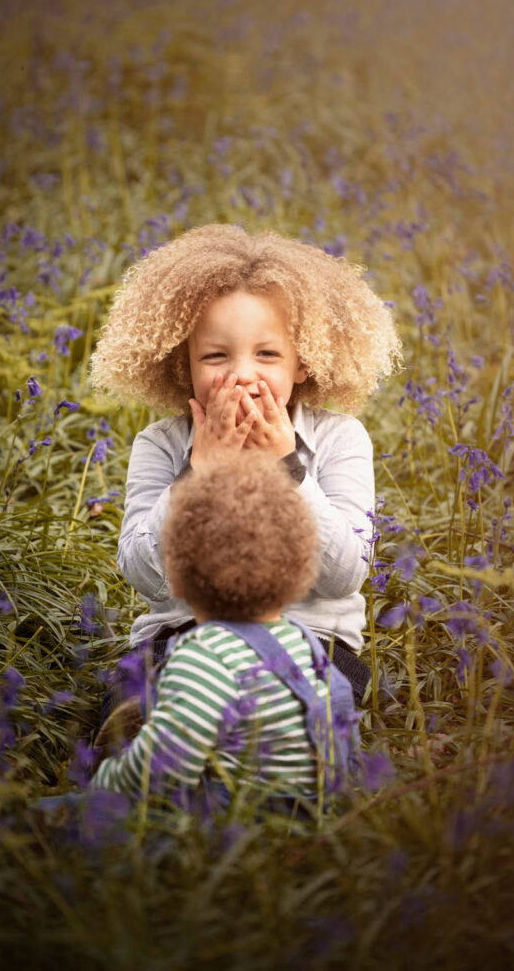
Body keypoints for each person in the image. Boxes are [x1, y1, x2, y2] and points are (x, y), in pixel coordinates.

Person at [91, 223, 401, 712]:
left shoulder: (340, 440)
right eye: (216, 356)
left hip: (311, 642)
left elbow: (343, 575)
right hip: (179, 638)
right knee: (136, 709)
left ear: (302, 362)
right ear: (184, 364)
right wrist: (197, 473)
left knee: (289, 715)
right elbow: (145, 576)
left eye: (268, 354)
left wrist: (288, 468)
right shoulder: (161, 445)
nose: (242, 374)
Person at [91, 454, 359, 804]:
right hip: (309, 821)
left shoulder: (202, 658)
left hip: (231, 826)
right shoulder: (308, 651)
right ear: (299, 576)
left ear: (176, 578)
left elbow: (158, 772)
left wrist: (102, 782)